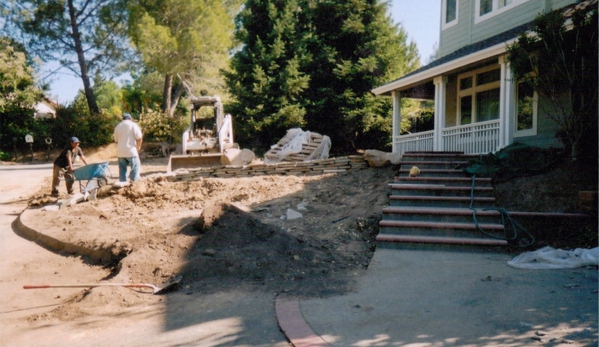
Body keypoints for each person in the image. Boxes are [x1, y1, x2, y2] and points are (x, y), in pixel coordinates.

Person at [114, 113, 143, 182]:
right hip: (131, 151)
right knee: (135, 167)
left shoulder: (118, 126)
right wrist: (138, 147)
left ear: (122, 119)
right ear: (131, 119)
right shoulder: (133, 125)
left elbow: (116, 140)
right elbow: (139, 137)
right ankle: (134, 183)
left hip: (121, 152)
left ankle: (122, 184)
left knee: (122, 170)